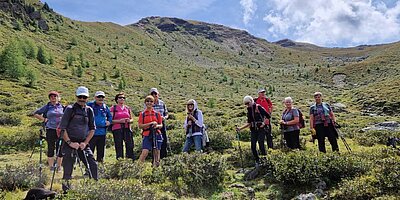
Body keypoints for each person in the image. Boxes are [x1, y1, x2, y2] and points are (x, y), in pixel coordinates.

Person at [59, 86, 98, 192]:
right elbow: (63, 128)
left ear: (87, 98)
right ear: (76, 96)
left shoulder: (89, 110)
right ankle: (66, 193)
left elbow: (92, 129)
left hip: (83, 144)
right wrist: (70, 142)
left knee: (93, 165)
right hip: (69, 144)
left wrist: (85, 143)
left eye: (84, 97)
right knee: (68, 170)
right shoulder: (70, 109)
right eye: (80, 97)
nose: (82, 99)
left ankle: (94, 189)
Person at [33, 91, 64, 171]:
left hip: (60, 130)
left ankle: (59, 166)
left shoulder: (62, 107)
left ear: (58, 98)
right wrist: (44, 119)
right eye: (51, 97)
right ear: (49, 98)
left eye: (55, 96)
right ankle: (51, 167)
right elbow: (36, 113)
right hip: (50, 129)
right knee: (51, 147)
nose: (53, 98)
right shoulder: (47, 107)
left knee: (60, 148)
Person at [236, 96, 271, 166]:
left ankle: (265, 160)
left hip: (261, 128)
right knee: (253, 146)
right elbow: (249, 122)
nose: (247, 105)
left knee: (261, 143)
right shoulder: (248, 110)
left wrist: (264, 123)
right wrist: (240, 128)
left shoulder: (258, 107)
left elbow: (268, 116)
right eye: (245, 104)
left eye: (248, 103)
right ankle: (257, 161)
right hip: (253, 129)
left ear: (251, 101)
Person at [87, 91, 112, 163]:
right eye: (99, 97)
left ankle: (100, 167)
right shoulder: (90, 105)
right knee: (90, 151)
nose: (100, 98)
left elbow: (109, 116)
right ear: (95, 97)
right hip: (91, 133)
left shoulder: (105, 107)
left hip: (102, 133)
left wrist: (109, 122)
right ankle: (88, 168)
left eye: (102, 97)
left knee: (101, 151)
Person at [138, 95, 163, 167]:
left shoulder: (157, 114)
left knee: (157, 152)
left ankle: (156, 168)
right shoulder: (142, 114)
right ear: (145, 103)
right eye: (147, 101)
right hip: (147, 134)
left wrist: (156, 126)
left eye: (151, 101)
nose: (149, 103)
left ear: (153, 103)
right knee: (145, 152)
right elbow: (140, 126)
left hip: (157, 134)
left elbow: (161, 125)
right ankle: (137, 168)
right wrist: (150, 124)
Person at [110, 92, 134, 160]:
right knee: (119, 145)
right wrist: (120, 121)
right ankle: (120, 160)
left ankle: (130, 160)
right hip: (117, 129)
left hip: (127, 128)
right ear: (117, 99)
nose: (122, 99)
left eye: (123, 98)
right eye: (120, 98)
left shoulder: (127, 108)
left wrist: (129, 120)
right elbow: (111, 120)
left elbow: (132, 119)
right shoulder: (113, 108)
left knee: (130, 145)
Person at [149, 88, 169, 158]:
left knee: (164, 140)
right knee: (154, 141)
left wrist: (164, 117)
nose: (154, 95)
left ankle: (164, 156)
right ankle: (155, 158)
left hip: (162, 123)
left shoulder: (162, 103)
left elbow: (166, 114)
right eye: (152, 94)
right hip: (153, 124)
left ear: (158, 94)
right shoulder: (149, 104)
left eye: (155, 94)